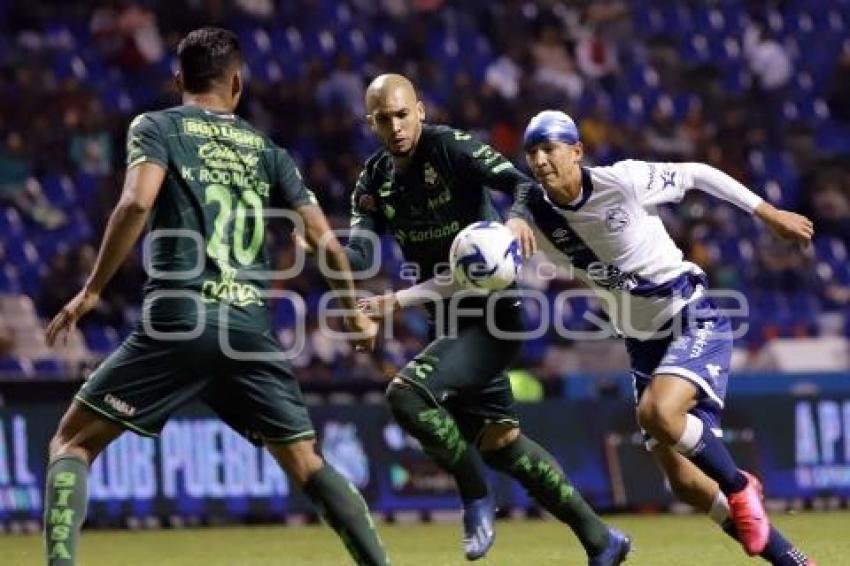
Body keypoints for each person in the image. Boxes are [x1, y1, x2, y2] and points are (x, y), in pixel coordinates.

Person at [43, 27, 389, 566]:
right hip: (249, 329)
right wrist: (354, 312)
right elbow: (324, 239)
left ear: (178, 78)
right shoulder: (268, 151)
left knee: (71, 443)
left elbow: (136, 204)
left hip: (179, 318)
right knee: (306, 461)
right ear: (238, 82)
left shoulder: (155, 126)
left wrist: (93, 289)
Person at [350, 74, 630, 565]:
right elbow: (358, 252)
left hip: (494, 318)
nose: (395, 126)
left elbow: (520, 183)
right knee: (501, 444)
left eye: (402, 114)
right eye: (383, 118)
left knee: (407, 395)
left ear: (419, 109)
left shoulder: (451, 147)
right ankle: (601, 540)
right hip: (446, 321)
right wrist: (330, 257)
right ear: (369, 122)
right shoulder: (374, 180)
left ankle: (475, 494)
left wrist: (519, 216)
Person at [514, 110, 815, 565]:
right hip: (642, 343)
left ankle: (739, 485)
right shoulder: (534, 218)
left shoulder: (624, 181)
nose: (539, 159)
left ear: (576, 151)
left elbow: (697, 174)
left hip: (691, 317)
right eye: (531, 152)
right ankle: (794, 561)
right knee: (685, 482)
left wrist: (768, 214)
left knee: (657, 412)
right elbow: (485, 261)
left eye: (549, 148)